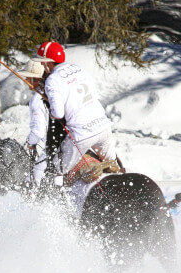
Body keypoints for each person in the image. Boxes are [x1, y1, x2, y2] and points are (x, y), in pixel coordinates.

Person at [35, 41, 121, 179]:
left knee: (56, 169)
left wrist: (51, 111)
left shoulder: (52, 79)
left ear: (48, 63)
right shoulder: (80, 69)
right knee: (114, 167)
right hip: (103, 127)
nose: (41, 66)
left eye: (42, 62)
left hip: (82, 135)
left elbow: (58, 113)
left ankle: (55, 200)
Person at [20, 59, 55, 187]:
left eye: (28, 78)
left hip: (55, 145)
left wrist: (30, 142)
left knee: (36, 173)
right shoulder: (52, 90)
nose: (26, 81)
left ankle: (43, 202)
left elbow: (37, 131)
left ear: (35, 79)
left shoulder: (36, 100)